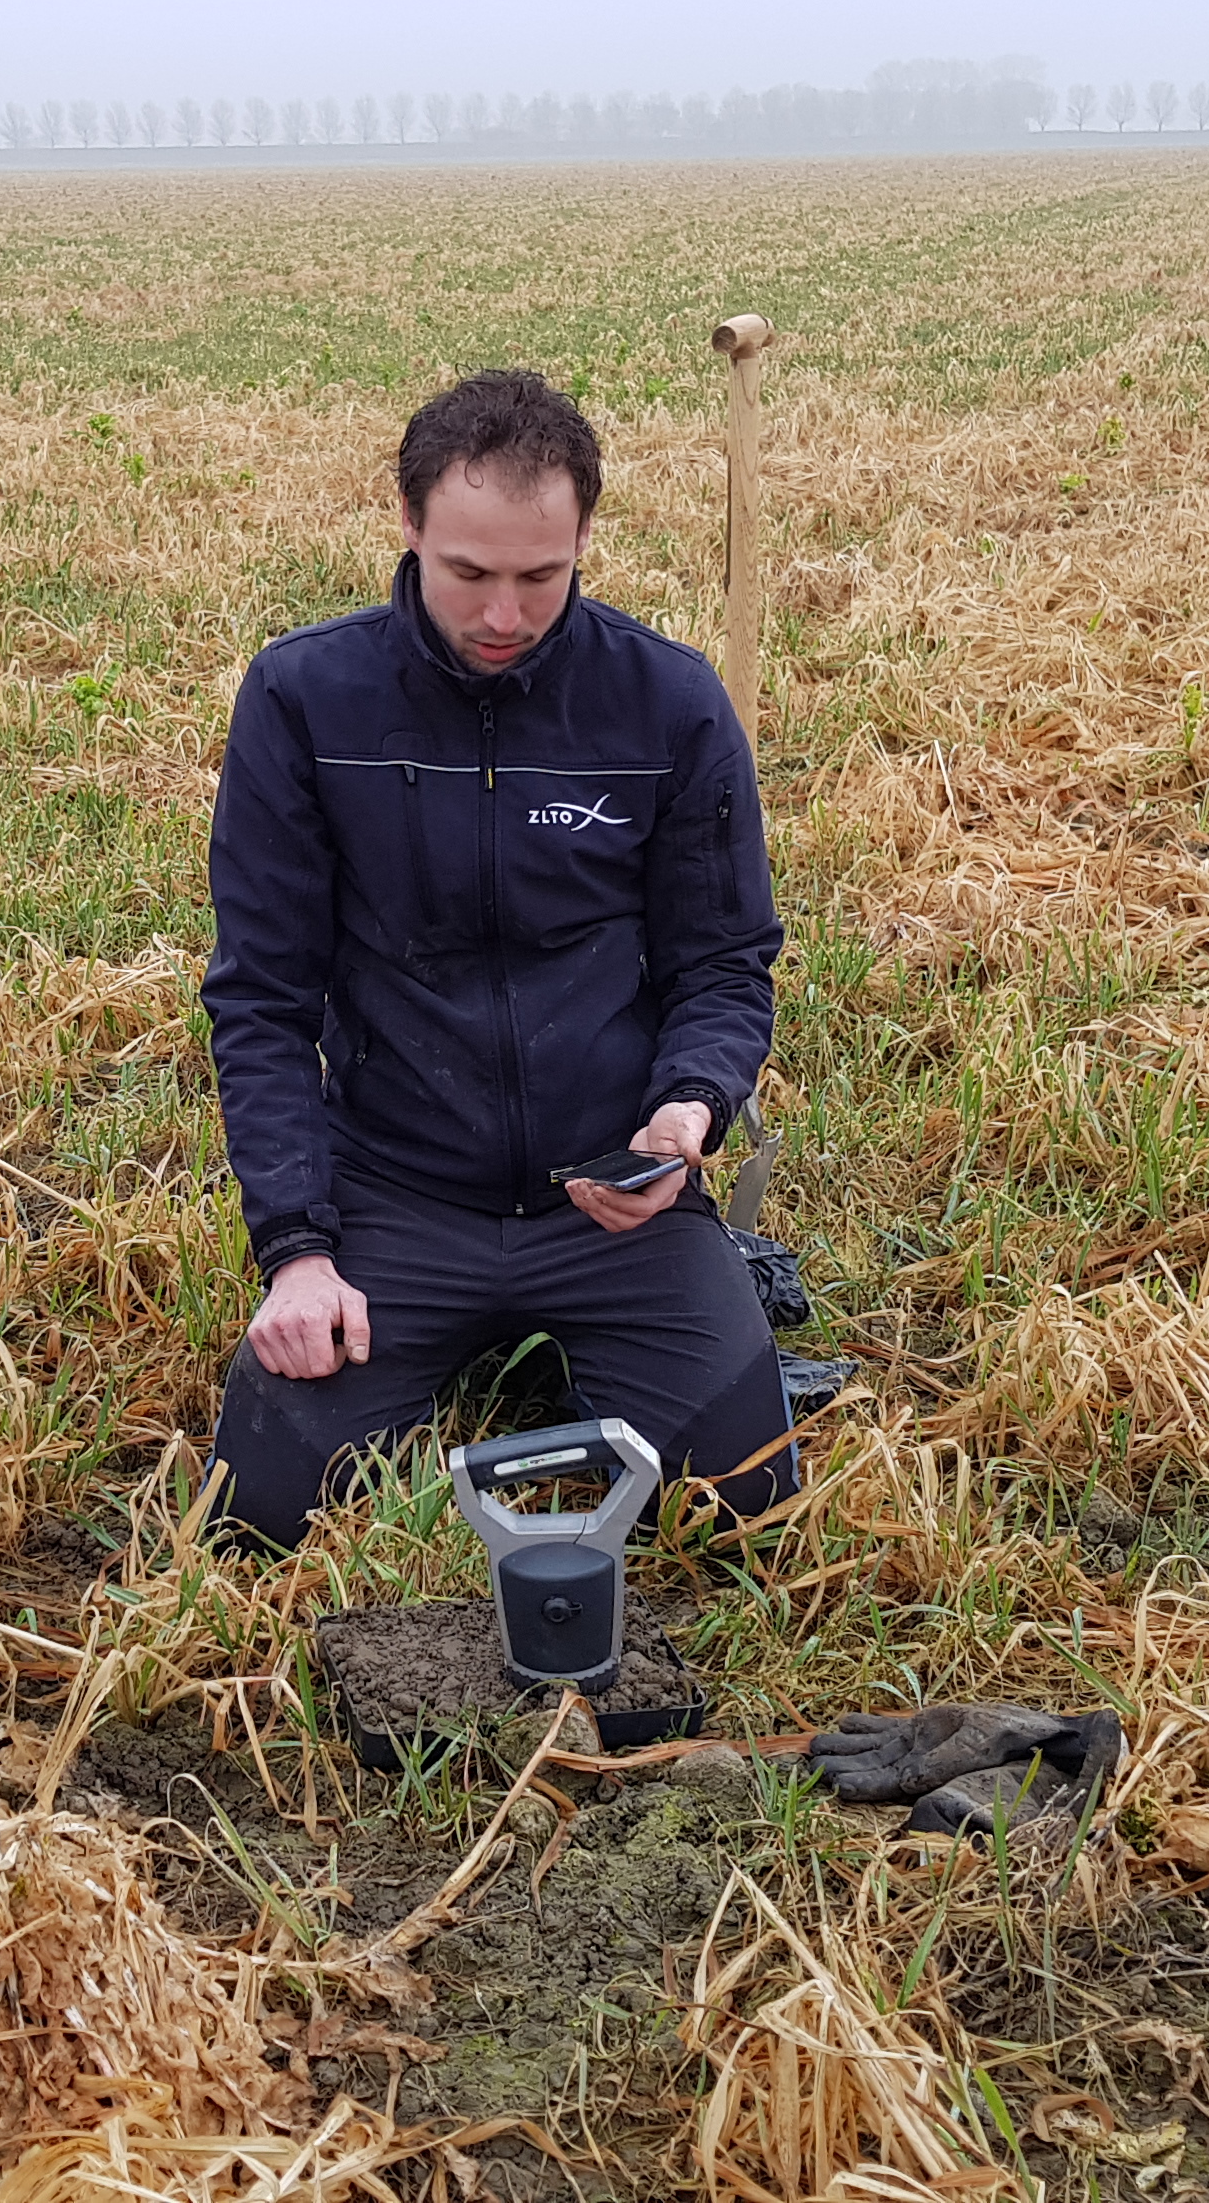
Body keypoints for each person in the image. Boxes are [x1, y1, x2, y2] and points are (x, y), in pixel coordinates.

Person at [200, 369, 796, 1548]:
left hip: (612, 1193)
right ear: (410, 526)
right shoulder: (305, 698)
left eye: (542, 576)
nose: (505, 615)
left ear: (585, 539)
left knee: (747, 1503)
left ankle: (615, 1341)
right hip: (394, 1198)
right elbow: (261, 1000)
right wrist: (298, 1251)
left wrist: (687, 1116)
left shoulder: (667, 703)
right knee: (258, 1518)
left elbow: (724, 959)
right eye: (468, 573)